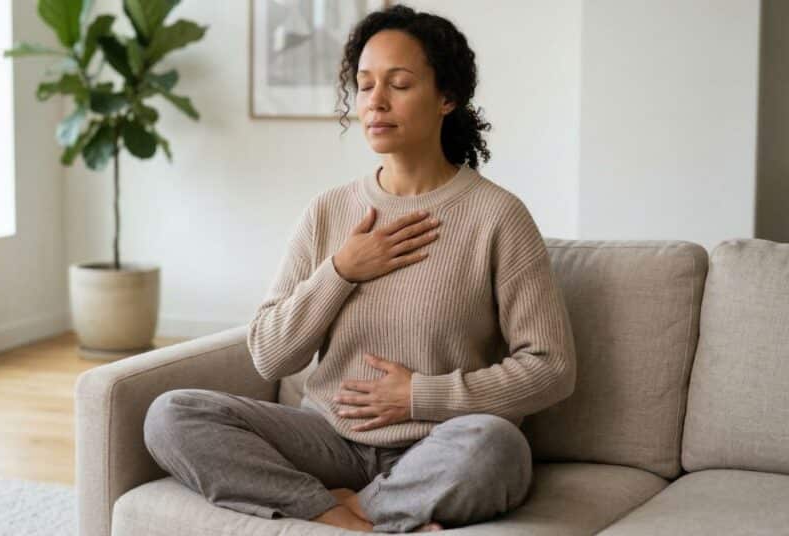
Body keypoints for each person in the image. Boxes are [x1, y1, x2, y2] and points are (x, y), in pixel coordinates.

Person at [143, 4, 577, 533]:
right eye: (365, 84)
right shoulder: (328, 211)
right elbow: (269, 355)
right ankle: (343, 514)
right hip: (326, 440)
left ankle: (356, 510)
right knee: (171, 414)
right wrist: (342, 270)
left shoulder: (497, 216)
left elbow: (551, 367)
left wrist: (420, 394)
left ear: (446, 97)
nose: (375, 101)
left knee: (498, 446)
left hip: (438, 443)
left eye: (398, 83)